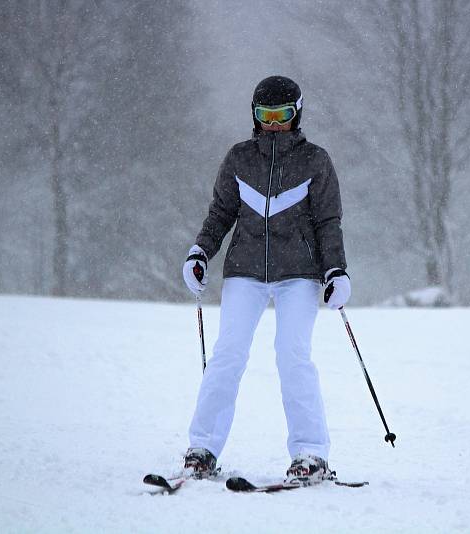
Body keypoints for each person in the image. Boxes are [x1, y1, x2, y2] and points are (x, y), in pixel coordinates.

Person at [179, 75, 351, 483]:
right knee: (228, 354)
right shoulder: (239, 159)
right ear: (254, 117)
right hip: (247, 271)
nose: (274, 124)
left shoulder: (316, 161)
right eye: (265, 116)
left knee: (292, 356)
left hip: (299, 276)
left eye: (282, 116)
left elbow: (329, 221)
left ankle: (311, 454)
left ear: (297, 115)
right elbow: (220, 214)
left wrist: (335, 270)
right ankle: (202, 449)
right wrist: (200, 252)